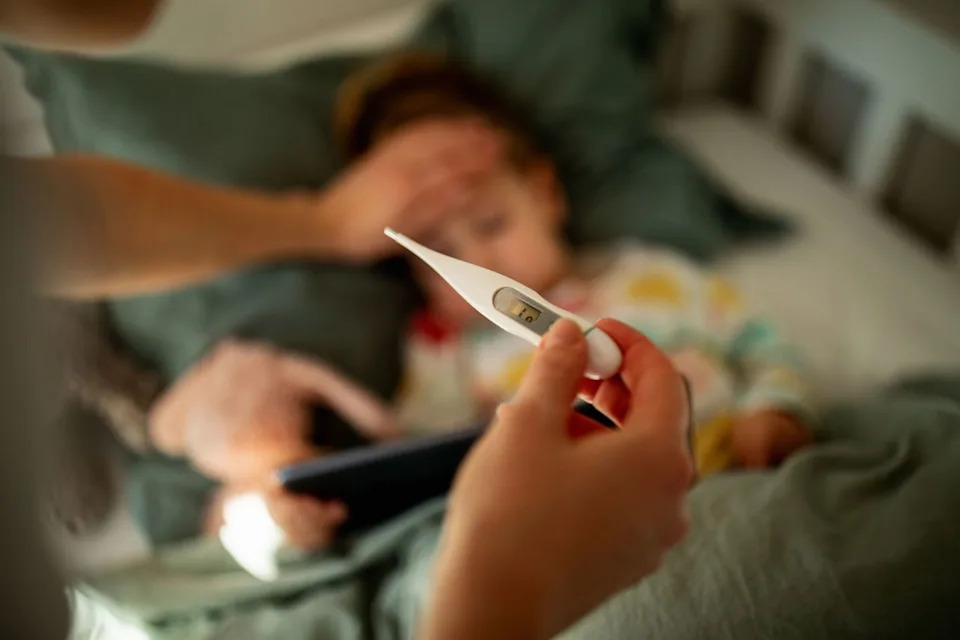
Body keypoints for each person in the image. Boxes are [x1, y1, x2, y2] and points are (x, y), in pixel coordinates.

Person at [0, 2, 694, 638]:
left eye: (489, 220)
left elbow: (67, 217)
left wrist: (324, 224)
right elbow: (408, 465)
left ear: (546, 188)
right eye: (445, 250)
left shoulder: (658, 284)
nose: (481, 254)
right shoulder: (434, 351)